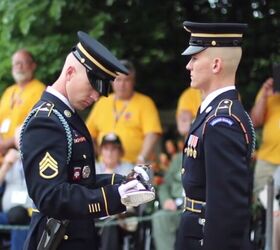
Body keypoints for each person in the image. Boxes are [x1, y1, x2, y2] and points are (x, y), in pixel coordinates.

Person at [20, 31, 154, 250]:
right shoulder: (46, 121)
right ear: (70, 72)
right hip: (58, 241)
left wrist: (123, 181)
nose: (96, 96)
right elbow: (51, 196)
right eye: (93, 86)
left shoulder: (66, 116)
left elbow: (79, 180)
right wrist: (116, 197)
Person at [176, 21, 255, 250]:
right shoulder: (213, 112)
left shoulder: (222, 121)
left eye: (195, 58)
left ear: (216, 64)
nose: (188, 66)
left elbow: (226, 207)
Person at [86, 60, 162, 164]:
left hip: (134, 165)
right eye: (118, 80)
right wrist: (99, 153)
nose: (122, 85)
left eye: (126, 80)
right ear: (112, 81)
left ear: (133, 81)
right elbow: (88, 132)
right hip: (106, 167)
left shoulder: (145, 103)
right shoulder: (102, 102)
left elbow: (152, 134)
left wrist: (142, 158)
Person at [0, 49, 45, 158]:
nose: (18, 67)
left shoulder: (40, 91)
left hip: (21, 155)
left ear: (33, 66)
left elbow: (34, 125)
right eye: (16, 63)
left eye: (22, 63)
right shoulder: (9, 91)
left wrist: (6, 144)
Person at [0, 126, 32, 250]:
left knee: (18, 215)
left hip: (29, 213)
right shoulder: (10, 159)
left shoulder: (37, 158)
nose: (21, 141)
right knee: (15, 215)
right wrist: (6, 165)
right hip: (8, 214)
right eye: (19, 138)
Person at [152, 152, 184, 250]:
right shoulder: (180, 158)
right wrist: (166, 200)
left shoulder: (212, 157)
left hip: (202, 209)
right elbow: (164, 184)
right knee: (160, 217)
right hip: (177, 208)